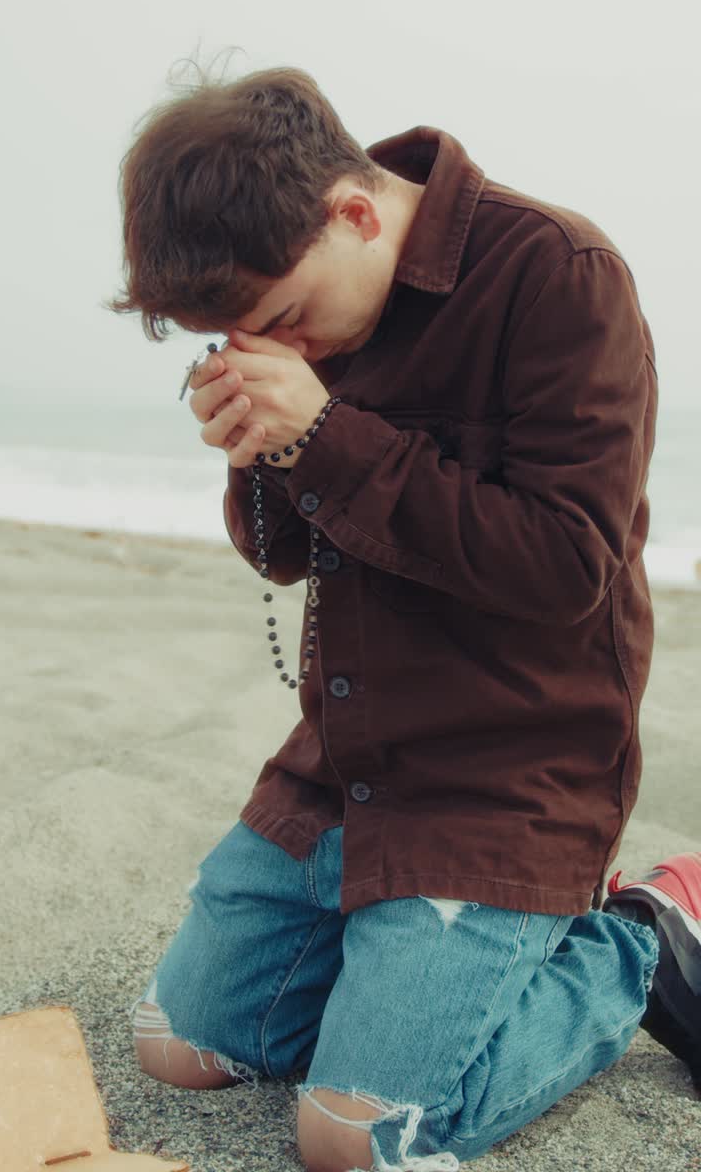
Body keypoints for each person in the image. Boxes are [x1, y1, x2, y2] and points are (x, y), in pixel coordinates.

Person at [109, 62, 700, 1171]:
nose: (290, 350)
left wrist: (323, 430)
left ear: (356, 212)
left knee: (357, 1140)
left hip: (507, 777)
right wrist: (261, 438)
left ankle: (637, 940)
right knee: (180, 1045)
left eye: (285, 319)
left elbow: (566, 562)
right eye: (242, 337)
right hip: (346, 762)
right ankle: (398, 979)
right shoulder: (306, 321)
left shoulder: (559, 276)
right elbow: (285, 557)